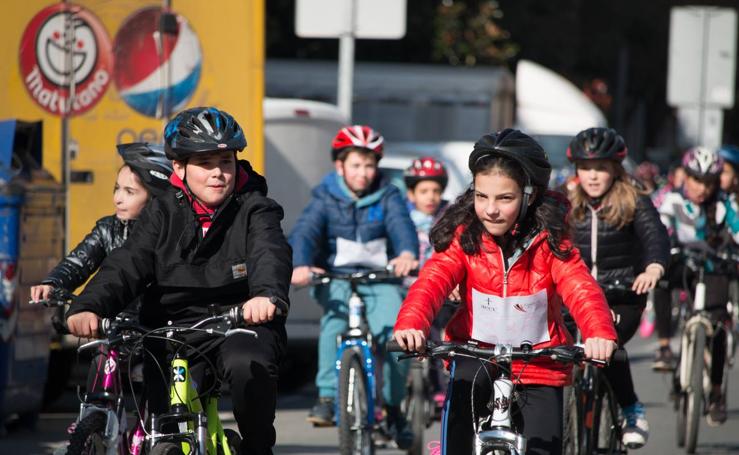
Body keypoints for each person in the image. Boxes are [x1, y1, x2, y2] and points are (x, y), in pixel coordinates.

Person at [64, 107, 292, 455]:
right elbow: (128, 262)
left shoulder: (256, 209)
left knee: (249, 366)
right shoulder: (161, 211)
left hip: (238, 323)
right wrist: (89, 305)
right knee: (165, 429)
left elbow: (269, 254)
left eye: (226, 161)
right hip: (172, 329)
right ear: (179, 168)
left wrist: (266, 296)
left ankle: (258, 449)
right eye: (205, 162)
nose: (218, 173)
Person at [393, 129, 618, 455]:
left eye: (505, 198)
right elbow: (433, 278)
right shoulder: (464, 235)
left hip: (540, 360)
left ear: (529, 195)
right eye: (481, 196)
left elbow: (580, 286)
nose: (490, 210)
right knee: (456, 437)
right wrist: (412, 322)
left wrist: (599, 332)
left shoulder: (550, 239)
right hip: (475, 352)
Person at [289, 125, 418, 447]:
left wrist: (406, 253)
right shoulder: (325, 196)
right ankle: (329, 397)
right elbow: (305, 232)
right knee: (334, 324)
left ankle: (393, 406)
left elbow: (402, 227)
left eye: (370, 165)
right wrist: (301, 265)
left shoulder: (388, 195)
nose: (363, 173)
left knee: (395, 336)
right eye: (356, 165)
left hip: (381, 279)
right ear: (340, 166)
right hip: (336, 277)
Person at [30, 143, 173, 397]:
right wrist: (53, 283)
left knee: (156, 396)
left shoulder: (169, 235)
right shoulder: (107, 229)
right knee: (99, 376)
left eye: (130, 191)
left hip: (155, 332)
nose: (118, 198)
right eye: (117, 189)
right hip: (112, 328)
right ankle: (95, 421)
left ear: (155, 198)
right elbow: (78, 262)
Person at [565, 127, 670, 449]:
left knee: (607, 344)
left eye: (601, 168)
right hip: (575, 295)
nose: (593, 176)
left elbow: (656, 235)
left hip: (622, 295)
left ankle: (631, 408)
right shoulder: (563, 200)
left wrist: (653, 267)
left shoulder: (634, 199)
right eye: (586, 168)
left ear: (615, 169)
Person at [653, 146, 736, 426]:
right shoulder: (671, 200)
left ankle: (715, 393)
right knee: (661, 280)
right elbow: (659, 226)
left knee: (720, 324)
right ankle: (664, 346)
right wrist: (662, 249)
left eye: (708, 182)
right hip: (681, 264)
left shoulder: (725, 204)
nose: (701, 188)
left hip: (713, 269)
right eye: (696, 180)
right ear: (684, 177)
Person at [403, 156, 456, 411]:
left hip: (440, 289)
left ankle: (439, 384)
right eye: (424, 191)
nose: (431, 197)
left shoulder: (450, 216)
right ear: (411, 193)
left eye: (436, 190)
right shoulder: (402, 217)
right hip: (407, 286)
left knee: (438, 333)